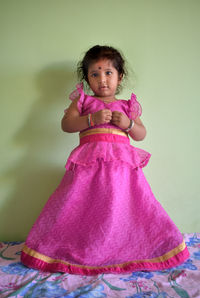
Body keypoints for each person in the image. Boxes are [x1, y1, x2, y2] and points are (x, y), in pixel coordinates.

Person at [21, 45, 189, 275]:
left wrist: (128, 124)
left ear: (120, 76)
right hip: (88, 173)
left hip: (122, 173)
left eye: (108, 72)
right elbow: (66, 125)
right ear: (87, 79)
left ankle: (128, 247)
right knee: (81, 208)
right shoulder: (83, 102)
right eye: (95, 74)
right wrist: (91, 119)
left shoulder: (127, 106)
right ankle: (82, 248)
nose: (102, 79)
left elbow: (141, 134)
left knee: (123, 208)